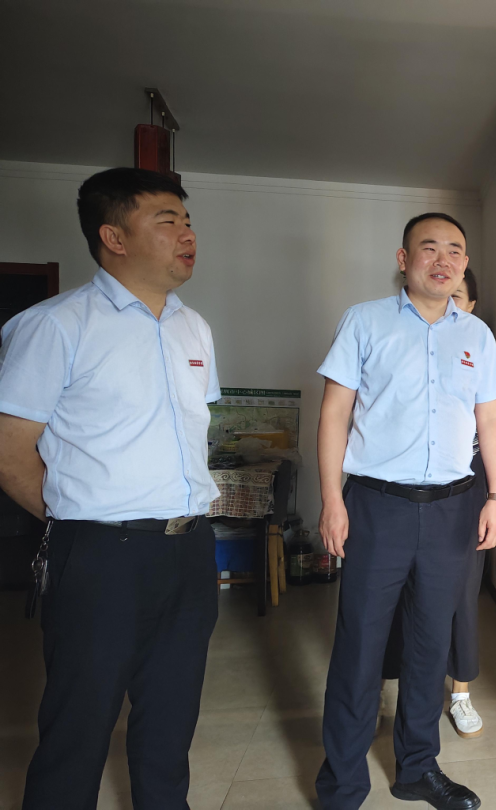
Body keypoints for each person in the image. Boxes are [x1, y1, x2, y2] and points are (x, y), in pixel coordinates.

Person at [0, 168, 221, 809]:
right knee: (79, 723)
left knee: (171, 718)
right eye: (167, 221)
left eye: (188, 221)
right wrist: (79, 518)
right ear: (113, 237)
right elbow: (10, 453)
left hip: (189, 548)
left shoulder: (194, 328)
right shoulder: (55, 325)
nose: (187, 235)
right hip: (100, 556)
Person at [315, 213, 496, 810]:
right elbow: (334, 413)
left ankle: (418, 769)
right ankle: (342, 784)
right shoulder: (365, 321)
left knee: (430, 645)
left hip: (453, 511)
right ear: (404, 259)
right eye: (430, 248)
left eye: (455, 251)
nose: (443, 260)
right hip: (377, 507)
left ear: (464, 264)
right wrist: (331, 500)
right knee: (361, 645)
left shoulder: (476, 335)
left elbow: (491, 421)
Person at [381, 267, 496, 741]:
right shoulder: (403, 337)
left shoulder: (479, 344)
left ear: (471, 305)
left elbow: (493, 425)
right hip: (405, 488)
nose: (449, 300)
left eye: (459, 295)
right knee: (398, 593)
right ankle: (385, 685)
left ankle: (460, 693)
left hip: (469, 487)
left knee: (461, 595)